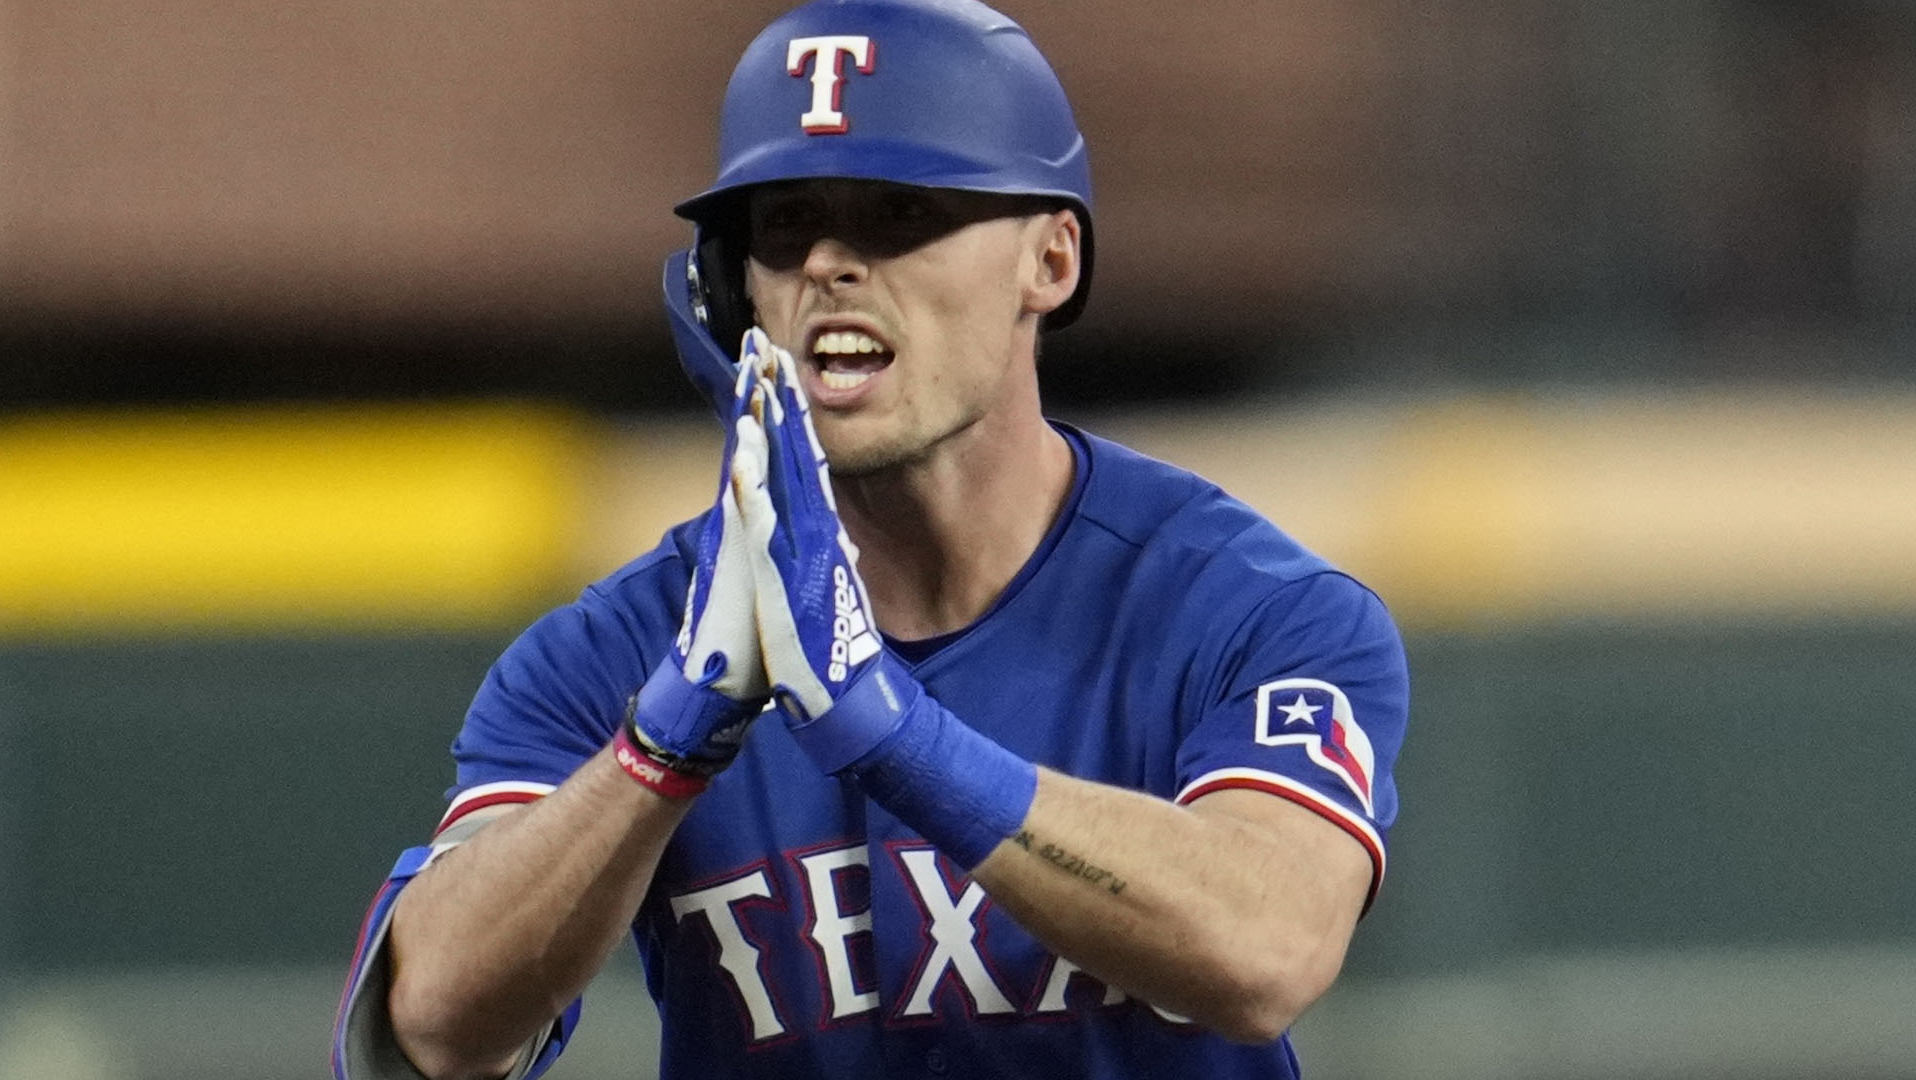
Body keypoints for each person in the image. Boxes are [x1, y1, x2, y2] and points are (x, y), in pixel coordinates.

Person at [331, 1, 1408, 1078]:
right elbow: (428, 1028)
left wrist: (892, 733)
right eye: (786, 226)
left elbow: (1267, 950)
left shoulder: (1246, 609)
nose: (833, 265)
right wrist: (656, 749)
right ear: (726, 289)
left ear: (1052, 260)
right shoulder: (632, 650)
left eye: (901, 214)